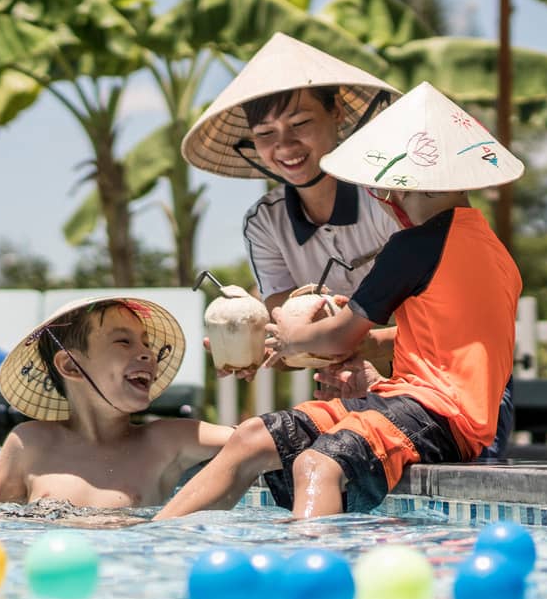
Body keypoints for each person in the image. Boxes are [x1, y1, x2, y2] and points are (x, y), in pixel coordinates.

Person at [155, 82, 522, 520]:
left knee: (318, 465)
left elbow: (337, 337)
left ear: (398, 191)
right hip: (406, 398)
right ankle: (157, 536)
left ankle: (310, 579)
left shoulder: (412, 245)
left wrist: (289, 338)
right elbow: (438, 337)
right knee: (251, 437)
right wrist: (273, 344)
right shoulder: (495, 251)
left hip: (441, 413)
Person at [181, 32, 404, 377]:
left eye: (300, 123)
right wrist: (251, 346)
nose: (285, 145)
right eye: (265, 133)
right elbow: (293, 342)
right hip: (346, 391)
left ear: (337, 112)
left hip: (437, 380)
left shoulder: (388, 198)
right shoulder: (264, 224)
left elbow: (450, 317)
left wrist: (354, 342)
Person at [0, 297, 232, 509]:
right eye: (124, 341)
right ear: (70, 367)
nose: (147, 354)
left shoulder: (165, 440)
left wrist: (259, 358)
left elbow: (262, 438)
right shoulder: (30, 443)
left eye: (147, 344)